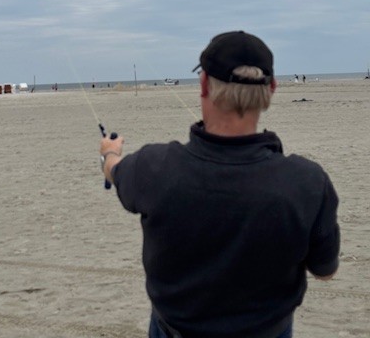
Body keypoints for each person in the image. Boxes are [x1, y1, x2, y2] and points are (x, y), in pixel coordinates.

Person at [100, 31, 339, 338]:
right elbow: (325, 270)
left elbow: (114, 170)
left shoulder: (155, 166)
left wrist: (109, 152)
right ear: (271, 89)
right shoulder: (307, 181)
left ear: (203, 85)